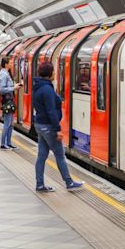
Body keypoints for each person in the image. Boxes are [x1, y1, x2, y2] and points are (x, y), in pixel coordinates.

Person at [32, 61, 83, 192]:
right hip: (48, 127)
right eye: (53, 71)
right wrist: (58, 129)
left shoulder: (37, 87)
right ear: (49, 74)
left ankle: (39, 184)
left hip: (39, 125)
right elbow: (51, 111)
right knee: (60, 155)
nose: (55, 73)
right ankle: (69, 182)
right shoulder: (47, 89)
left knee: (42, 156)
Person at [0, 57, 21, 150]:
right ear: (6, 64)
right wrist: (13, 88)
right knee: (7, 123)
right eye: (10, 63)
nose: (12, 64)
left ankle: (9, 142)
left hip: (9, 100)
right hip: (7, 101)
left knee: (11, 123)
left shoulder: (6, 73)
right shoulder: (4, 74)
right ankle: (3, 144)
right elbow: (2, 89)